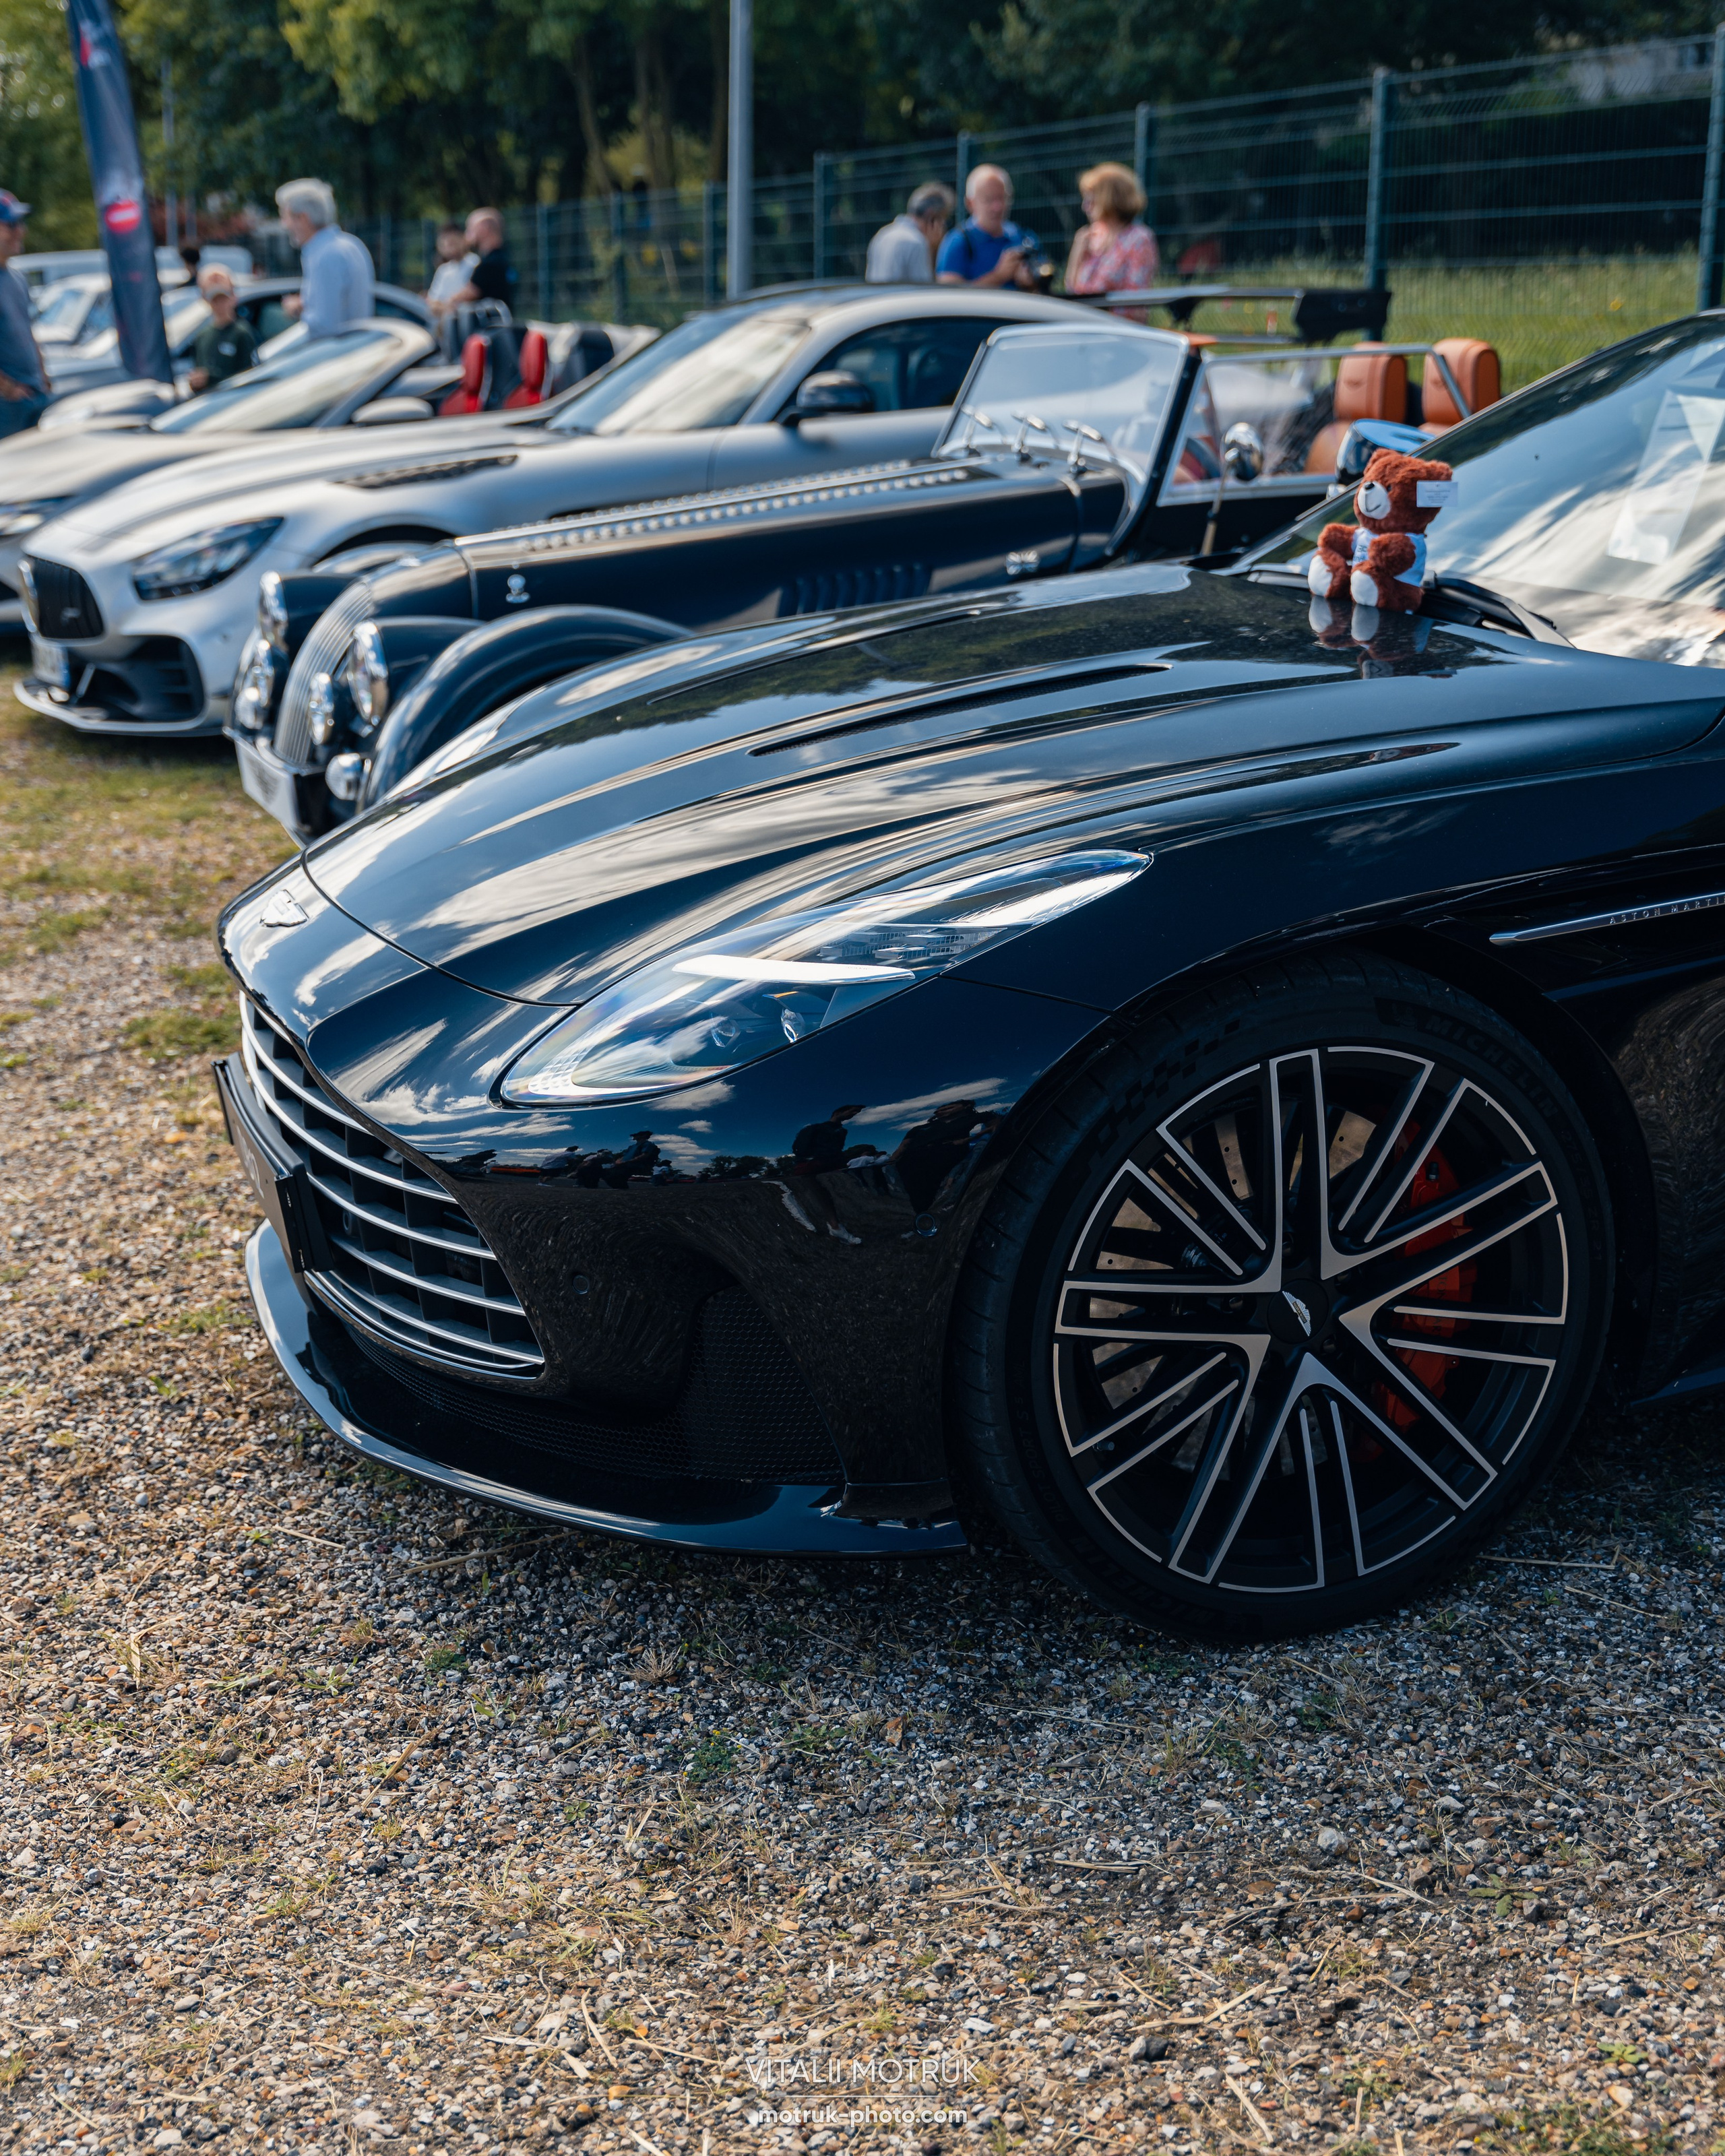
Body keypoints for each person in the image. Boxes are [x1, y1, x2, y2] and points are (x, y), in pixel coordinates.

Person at [275, 178, 374, 338]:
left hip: (335, 357)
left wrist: (297, 311)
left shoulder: (326, 256)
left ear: (303, 218)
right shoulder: (351, 245)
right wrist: (304, 305)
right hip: (354, 352)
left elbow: (326, 326)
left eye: (285, 217)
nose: (284, 225)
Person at [935, 165, 1042, 290]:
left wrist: (1031, 282)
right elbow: (949, 294)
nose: (997, 207)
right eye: (989, 200)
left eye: (1002, 198)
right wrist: (999, 276)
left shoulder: (1026, 238)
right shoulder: (957, 241)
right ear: (970, 203)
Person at [1064, 163, 1158, 300]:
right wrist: (1076, 256)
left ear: (1110, 199)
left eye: (1091, 200)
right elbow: (1072, 291)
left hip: (1113, 321)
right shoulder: (1090, 237)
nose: (1085, 207)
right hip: (1082, 319)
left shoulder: (1138, 239)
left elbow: (1136, 301)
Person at [0, 192, 48, 437]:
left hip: (33, 395)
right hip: (7, 405)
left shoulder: (16, 277)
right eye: (11, 224)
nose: (21, 231)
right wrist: (8, 389)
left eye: (21, 223)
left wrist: (43, 375)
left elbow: (27, 332)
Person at [865, 183, 953, 284]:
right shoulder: (917, 243)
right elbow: (925, 292)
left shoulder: (882, 235)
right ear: (933, 217)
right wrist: (932, 252)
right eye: (944, 220)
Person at [187, 270, 257, 393]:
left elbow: (250, 376)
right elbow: (199, 370)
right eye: (215, 300)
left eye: (223, 298)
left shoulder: (241, 334)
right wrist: (196, 382)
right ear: (206, 300)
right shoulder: (202, 336)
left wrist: (211, 379)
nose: (220, 305)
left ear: (232, 298)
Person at [444, 208, 518, 315]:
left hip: (490, 328)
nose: (467, 234)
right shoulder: (503, 258)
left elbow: (460, 298)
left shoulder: (490, 265)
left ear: (485, 228)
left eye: (470, 228)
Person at [425, 222, 476, 314]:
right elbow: (432, 302)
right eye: (444, 244)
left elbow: (468, 298)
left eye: (452, 243)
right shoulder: (443, 270)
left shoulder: (474, 264)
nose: (448, 248)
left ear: (463, 240)